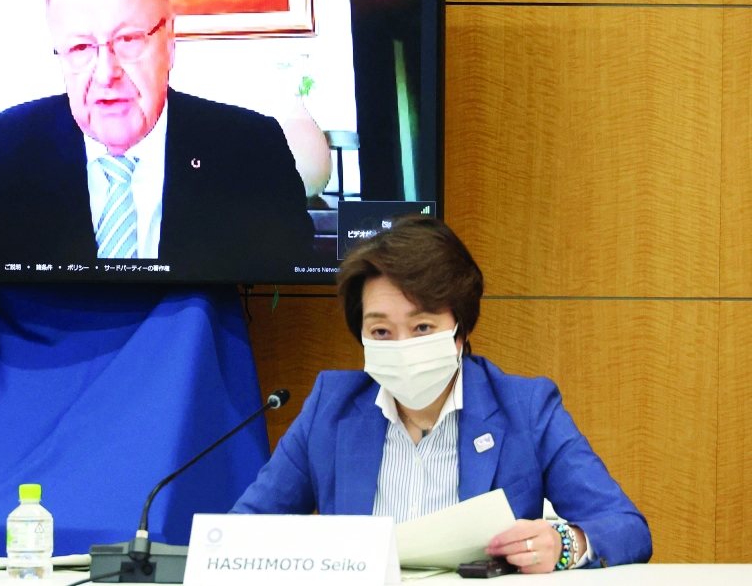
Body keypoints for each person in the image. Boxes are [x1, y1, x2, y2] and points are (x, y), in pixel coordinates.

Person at [232, 216, 652, 572]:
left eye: (422, 328)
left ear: (459, 331)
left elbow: (626, 527)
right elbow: (243, 532)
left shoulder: (525, 408)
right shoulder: (332, 407)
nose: (401, 346)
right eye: (381, 331)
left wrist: (565, 543)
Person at [0, 0, 315, 278]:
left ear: (169, 43)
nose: (106, 73)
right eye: (80, 48)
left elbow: (293, 310)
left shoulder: (250, 149)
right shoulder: (10, 147)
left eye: (127, 39)